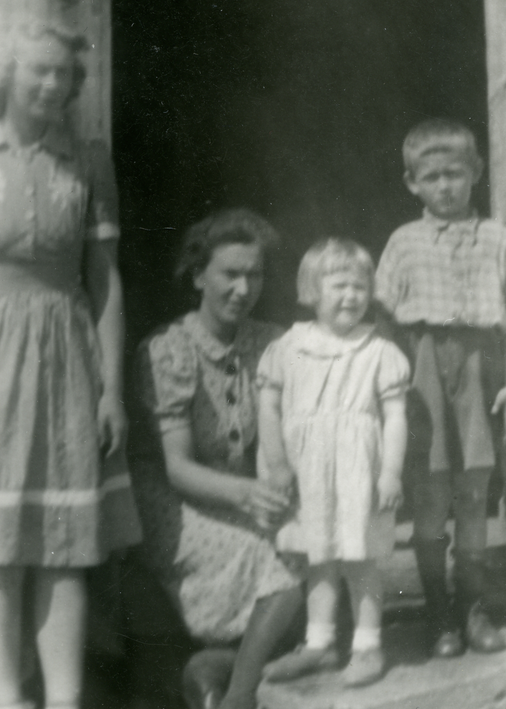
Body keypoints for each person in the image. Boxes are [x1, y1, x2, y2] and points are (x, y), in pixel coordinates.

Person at [0, 18, 140, 709]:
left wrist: (111, 389)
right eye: (39, 70)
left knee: (65, 545)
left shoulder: (88, 161)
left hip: (67, 355)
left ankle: (63, 700)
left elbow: (106, 281)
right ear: (5, 74)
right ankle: (3, 698)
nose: (53, 84)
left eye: (64, 73)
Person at [132, 210, 304, 709]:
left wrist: (277, 487)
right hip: (170, 498)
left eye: (254, 274)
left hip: (240, 492)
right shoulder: (170, 349)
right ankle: (239, 695)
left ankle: (215, 667)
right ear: (197, 275)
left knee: (312, 547)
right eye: (230, 274)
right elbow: (177, 468)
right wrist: (250, 495)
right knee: (269, 563)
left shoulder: (271, 342)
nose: (243, 288)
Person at [374, 119, 506, 658]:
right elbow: (382, 321)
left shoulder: (497, 237)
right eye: (432, 176)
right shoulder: (403, 241)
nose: (445, 186)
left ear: (476, 174)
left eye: (455, 174)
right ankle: (437, 611)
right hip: (422, 371)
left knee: (472, 495)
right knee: (431, 493)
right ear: (411, 182)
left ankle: (472, 607)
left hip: (479, 365)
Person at [258, 239, 409, 688]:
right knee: (317, 557)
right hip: (308, 474)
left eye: (360, 287)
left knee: (361, 561)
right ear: (311, 290)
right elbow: (268, 408)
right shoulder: (288, 346)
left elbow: (396, 415)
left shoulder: (378, 351)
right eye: (339, 286)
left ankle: (367, 646)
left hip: (359, 474)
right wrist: (278, 464)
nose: (351, 296)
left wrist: (391, 472)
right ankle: (320, 646)